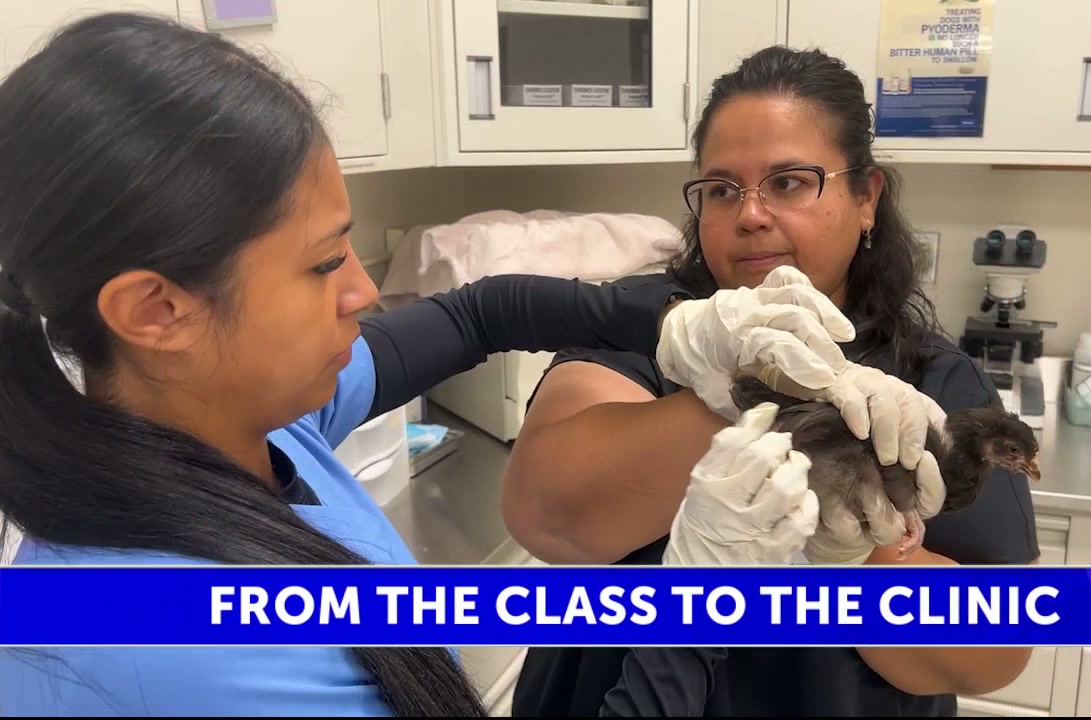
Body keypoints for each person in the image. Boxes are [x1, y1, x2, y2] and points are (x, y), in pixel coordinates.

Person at [0, 14, 893, 717]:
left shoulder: (252, 427)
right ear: (157, 311)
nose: (361, 292)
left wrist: (671, 325)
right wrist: (702, 600)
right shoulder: (171, 646)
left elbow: (482, 309)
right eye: (322, 264)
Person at [503, 45, 1042, 717]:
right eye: (723, 189)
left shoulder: (936, 383)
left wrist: (861, 551)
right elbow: (550, 514)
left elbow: (994, 650)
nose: (750, 214)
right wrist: (771, 402)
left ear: (866, 198)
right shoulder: (653, 330)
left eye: (789, 182)